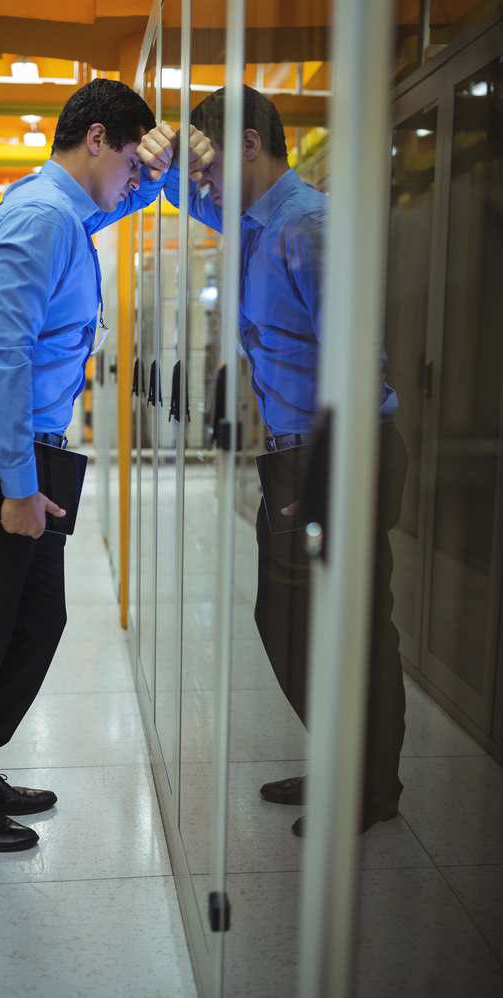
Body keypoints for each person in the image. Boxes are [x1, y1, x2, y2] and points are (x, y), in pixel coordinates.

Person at [0, 79, 212, 853]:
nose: (128, 183)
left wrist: (164, 164)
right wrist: (16, 485)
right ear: (95, 140)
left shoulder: (66, 213)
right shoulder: (41, 219)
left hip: (27, 453)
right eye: (126, 162)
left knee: (36, 619)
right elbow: (0, 357)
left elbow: (126, 199)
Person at [140, 86, 408, 836]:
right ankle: (352, 766)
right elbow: (178, 194)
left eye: (211, 165)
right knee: (294, 622)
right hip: (301, 457)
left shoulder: (306, 228)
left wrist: (324, 482)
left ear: (248, 147)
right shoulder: (254, 220)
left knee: (344, 627)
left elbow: (358, 367)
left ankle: (369, 786)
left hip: (339, 453)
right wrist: (164, 152)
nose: (205, 185)